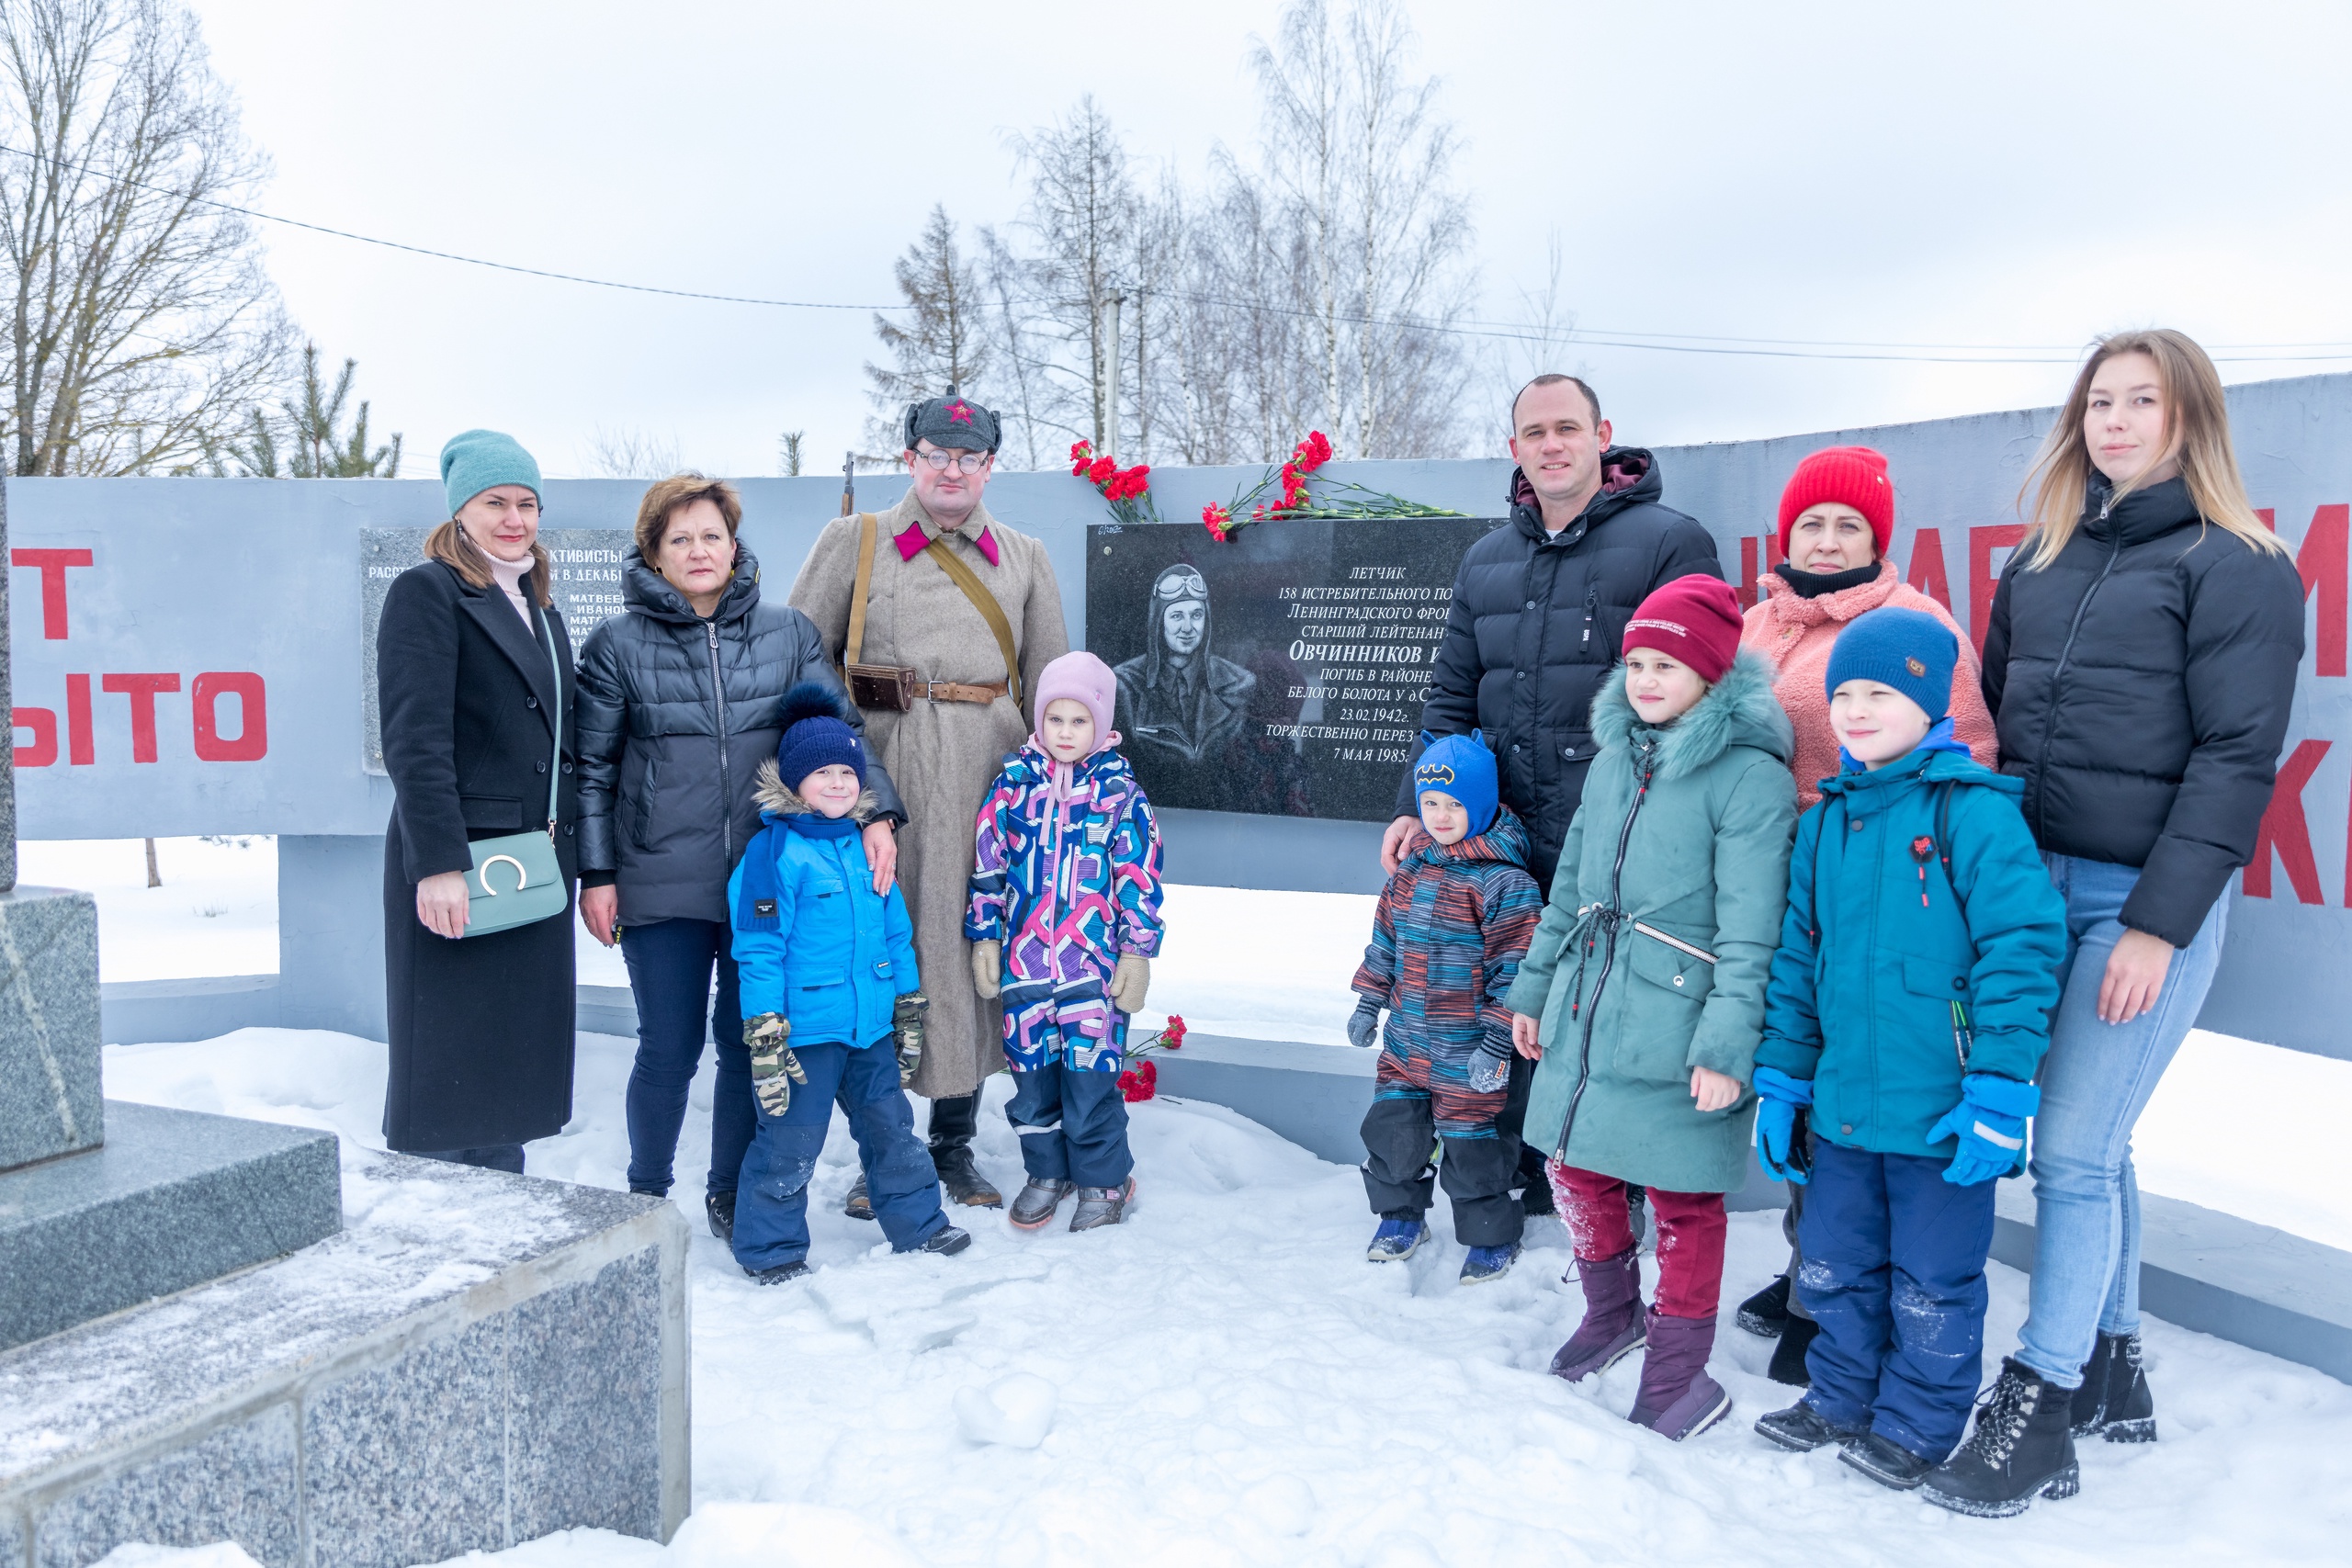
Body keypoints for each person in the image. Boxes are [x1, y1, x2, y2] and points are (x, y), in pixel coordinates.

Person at [1923, 330, 2303, 1517]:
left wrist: (2155, 924)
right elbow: (1993, 731)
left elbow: (2240, 760)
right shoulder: (2040, 560)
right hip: (2036, 899)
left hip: (2142, 907)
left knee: (2072, 1151)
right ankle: (2118, 1362)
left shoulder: (2239, 563)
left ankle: (2040, 1402)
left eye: (2145, 399)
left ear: (2190, 417)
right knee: (2102, 1140)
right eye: (2101, 400)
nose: (2118, 420)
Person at [1387, 374, 1724, 1223]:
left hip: (1614, 827)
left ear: (1602, 436)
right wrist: (1410, 801)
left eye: (1567, 428)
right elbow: (1450, 695)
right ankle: (1527, 1176)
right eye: (1533, 432)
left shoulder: (1667, 542)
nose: (1551, 444)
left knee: (1611, 1004)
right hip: (1502, 836)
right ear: (1514, 448)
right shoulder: (1486, 559)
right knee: (1512, 998)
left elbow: (1700, 693)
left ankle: (1621, 1186)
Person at [1747, 607, 2065, 1494]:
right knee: (1835, 1265)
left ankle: (1920, 1423)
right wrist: (1783, 1079)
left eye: (1878, 691)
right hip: (1845, 1103)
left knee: (1934, 1279)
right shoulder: (1825, 824)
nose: (1853, 708)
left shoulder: (1975, 816)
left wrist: (2001, 1090)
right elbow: (1797, 959)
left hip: (1941, 1110)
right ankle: (1840, 1396)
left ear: (1931, 703)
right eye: (1842, 690)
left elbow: (2023, 950)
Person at [1731, 445, 1999, 1386]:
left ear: (1877, 537)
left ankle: (1830, 1301)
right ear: (1787, 531)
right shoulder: (1756, 624)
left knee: (1851, 1083)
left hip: (1867, 890)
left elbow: (1961, 752)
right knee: (1797, 1068)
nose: (1829, 539)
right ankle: (1816, 1266)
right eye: (1812, 522)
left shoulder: (1915, 623)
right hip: (1763, 882)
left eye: (1850, 524)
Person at [574, 474, 903, 1243]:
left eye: (711, 535)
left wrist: (878, 811)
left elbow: (841, 733)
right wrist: (598, 873)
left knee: (744, 1039)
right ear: (654, 552)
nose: (698, 550)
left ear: (734, 544)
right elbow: (588, 770)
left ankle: (729, 1189)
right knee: (669, 1043)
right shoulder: (617, 644)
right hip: (661, 878)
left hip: (767, 878)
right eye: (679, 538)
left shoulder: (786, 634)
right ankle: (645, 1194)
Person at [1506, 574, 1796, 1441]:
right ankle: (1611, 1311)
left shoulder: (1750, 779)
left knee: (1681, 1200)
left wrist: (1726, 1045)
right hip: (1589, 1007)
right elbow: (1569, 887)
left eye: (1667, 663)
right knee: (1573, 1166)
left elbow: (1754, 931)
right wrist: (1533, 986)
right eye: (1635, 661)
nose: (1645, 679)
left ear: (1710, 674)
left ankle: (1678, 1372)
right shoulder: (1611, 760)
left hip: (1682, 1023)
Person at [790, 390, 1070, 1213]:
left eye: (970, 457)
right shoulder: (856, 540)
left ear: (989, 467)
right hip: (881, 773)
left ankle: (952, 1144)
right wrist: (832, 777)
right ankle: (888, 1150)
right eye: (937, 454)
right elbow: (799, 656)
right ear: (909, 459)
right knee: (884, 948)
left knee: (972, 948)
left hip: (992, 774)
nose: (953, 469)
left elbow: (1054, 680)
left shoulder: (1024, 556)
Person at [377, 430, 579, 1173]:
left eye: (527, 502)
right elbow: (414, 739)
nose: (514, 517)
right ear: (461, 509)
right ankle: (449, 1229)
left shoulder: (536, 602)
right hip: (465, 866)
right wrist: (437, 864)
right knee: (455, 1060)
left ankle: (501, 1204)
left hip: (532, 866)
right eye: (496, 501)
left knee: (510, 1062)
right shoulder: (427, 592)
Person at [725, 685, 967, 1282]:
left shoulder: (868, 848)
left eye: (846, 772)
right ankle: (772, 1248)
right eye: (821, 773)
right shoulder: (773, 853)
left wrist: (907, 1005)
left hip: (869, 1029)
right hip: (805, 1035)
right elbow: (758, 948)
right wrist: (765, 1031)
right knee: (790, 1141)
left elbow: (894, 934)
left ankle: (920, 1223)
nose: (836, 783)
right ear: (794, 781)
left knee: (893, 1129)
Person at [966, 652, 1165, 1233]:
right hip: (1027, 972)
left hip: (1092, 974)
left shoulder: (1120, 795)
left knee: (1089, 1084)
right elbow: (988, 865)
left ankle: (1104, 1178)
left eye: (1080, 721)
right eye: (1056, 720)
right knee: (1032, 1085)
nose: (1066, 733)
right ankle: (1046, 1171)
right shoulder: (1013, 788)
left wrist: (1136, 951)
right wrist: (984, 938)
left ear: (1100, 725)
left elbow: (1140, 879)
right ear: (1039, 721)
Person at [1348, 732, 1544, 1283]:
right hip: (1407, 1042)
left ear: (1481, 803)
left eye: (1454, 804)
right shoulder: (1408, 874)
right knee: (1393, 1132)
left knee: (1475, 1145)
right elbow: (1384, 943)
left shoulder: (1507, 884)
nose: (1439, 815)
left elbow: (1519, 967)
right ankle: (1400, 1216)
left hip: (1470, 1048)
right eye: (1430, 803)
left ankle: (1490, 1235)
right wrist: (1369, 1002)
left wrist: (1497, 1040)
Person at [1112, 562, 1256, 792]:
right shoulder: (1124, 686)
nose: (1188, 628)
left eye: (1196, 615)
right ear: (1159, 622)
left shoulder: (1239, 683)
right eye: (1177, 616)